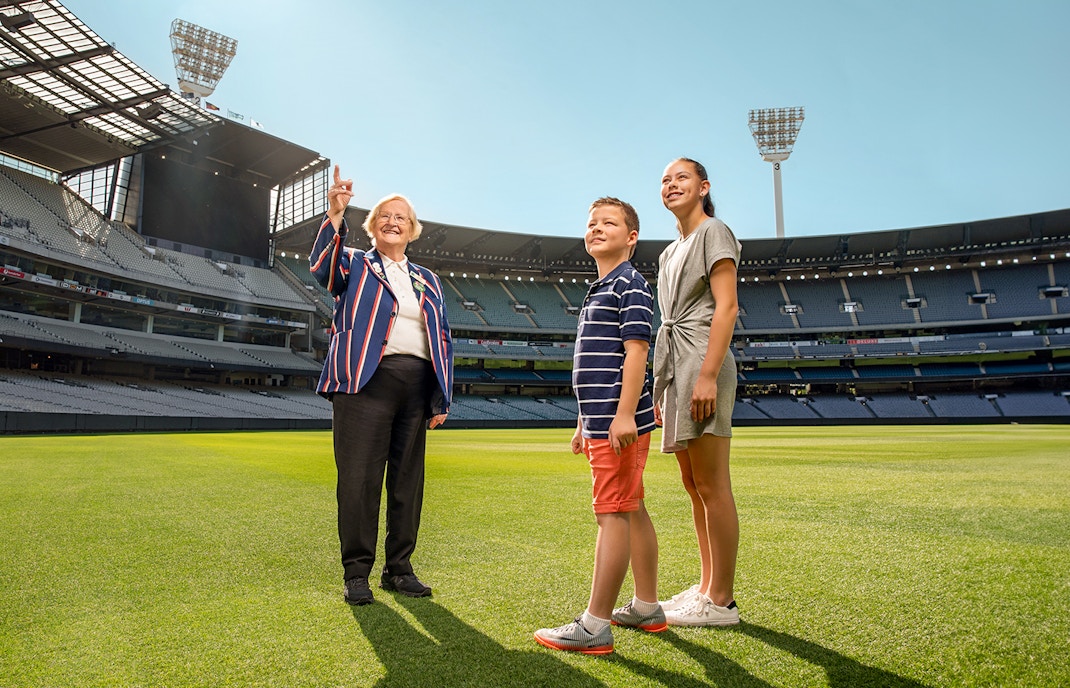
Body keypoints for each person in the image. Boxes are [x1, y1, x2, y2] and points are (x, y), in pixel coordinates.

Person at [310, 165, 453, 606]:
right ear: (372, 226)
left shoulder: (428, 279)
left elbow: (442, 336)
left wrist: (441, 395)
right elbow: (322, 269)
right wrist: (336, 214)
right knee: (359, 480)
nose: (393, 222)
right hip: (364, 381)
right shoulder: (355, 262)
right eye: (385, 216)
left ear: (412, 230)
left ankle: (399, 569)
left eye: (401, 218)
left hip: (416, 384)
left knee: (408, 483)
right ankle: (357, 573)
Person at [534, 197, 661, 655]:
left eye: (609, 222)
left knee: (612, 513)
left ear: (631, 237)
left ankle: (594, 626)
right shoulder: (599, 287)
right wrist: (582, 422)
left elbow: (636, 352)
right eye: (591, 223)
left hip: (617, 422)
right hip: (601, 419)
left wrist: (623, 414)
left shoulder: (630, 284)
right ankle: (647, 606)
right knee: (632, 507)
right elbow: (594, 366)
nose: (597, 228)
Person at [653, 157, 742, 627]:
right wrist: (662, 387)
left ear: (703, 187)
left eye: (681, 178)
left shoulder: (715, 232)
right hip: (678, 365)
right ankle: (706, 585)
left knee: (712, 484)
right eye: (665, 180)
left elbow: (727, 307)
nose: (671, 185)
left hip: (703, 358)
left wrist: (707, 375)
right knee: (693, 486)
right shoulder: (669, 252)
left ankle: (722, 601)